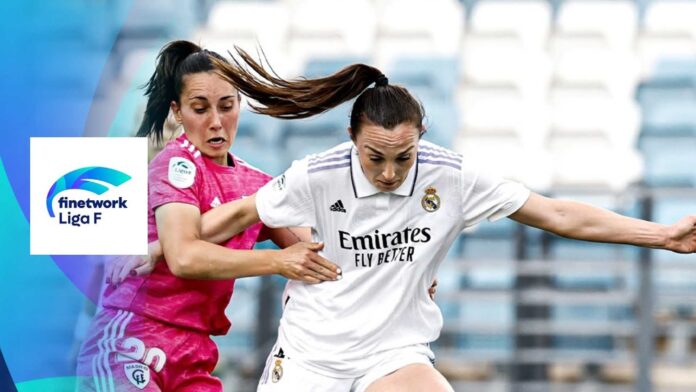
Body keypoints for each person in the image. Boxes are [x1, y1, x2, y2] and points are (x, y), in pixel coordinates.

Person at [118, 49, 696, 391]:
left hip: (391, 353)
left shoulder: (453, 176)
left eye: (404, 157)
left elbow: (561, 214)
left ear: (422, 140)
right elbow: (236, 214)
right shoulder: (314, 174)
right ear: (352, 141)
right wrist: (161, 249)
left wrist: (663, 236)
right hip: (311, 358)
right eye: (375, 158)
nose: (390, 173)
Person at [75, 40, 341, 391]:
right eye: (200, 109)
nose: (216, 122)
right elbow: (185, 257)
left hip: (194, 354)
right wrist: (277, 262)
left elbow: (323, 257)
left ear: (239, 106)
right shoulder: (174, 164)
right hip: (131, 342)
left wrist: (408, 273)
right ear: (177, 111)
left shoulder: (256, 184)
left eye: (226, 106)